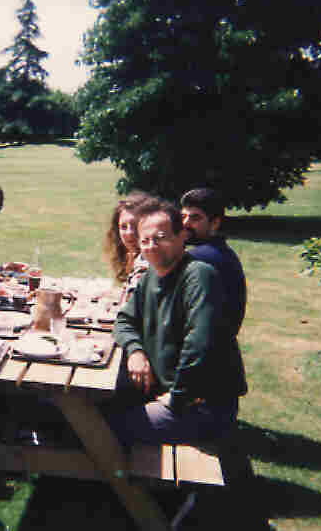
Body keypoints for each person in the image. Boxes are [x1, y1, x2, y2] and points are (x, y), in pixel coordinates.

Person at [107, 196, 248, 449]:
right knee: (98, 402)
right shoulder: (152, 276)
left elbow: (200, 344)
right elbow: (124, 320)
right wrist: (136, 352)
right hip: (167, 391)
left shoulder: (199, 275)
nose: (151, 246)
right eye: (145, 240)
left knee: (104, 427)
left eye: (161, 238)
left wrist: (175, 398)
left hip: (201, 406)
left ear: (182, 236)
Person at [180, 188, 247, 349]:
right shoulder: (222, 251)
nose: (185, 223)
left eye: (195, 218)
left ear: (215, 223)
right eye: (183, 216)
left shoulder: (201, 258)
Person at [104, 191, 151, 304]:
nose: (129, 233)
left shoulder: (148, 263)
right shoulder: (136, 257)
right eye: (123, 227)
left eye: (136, 226)